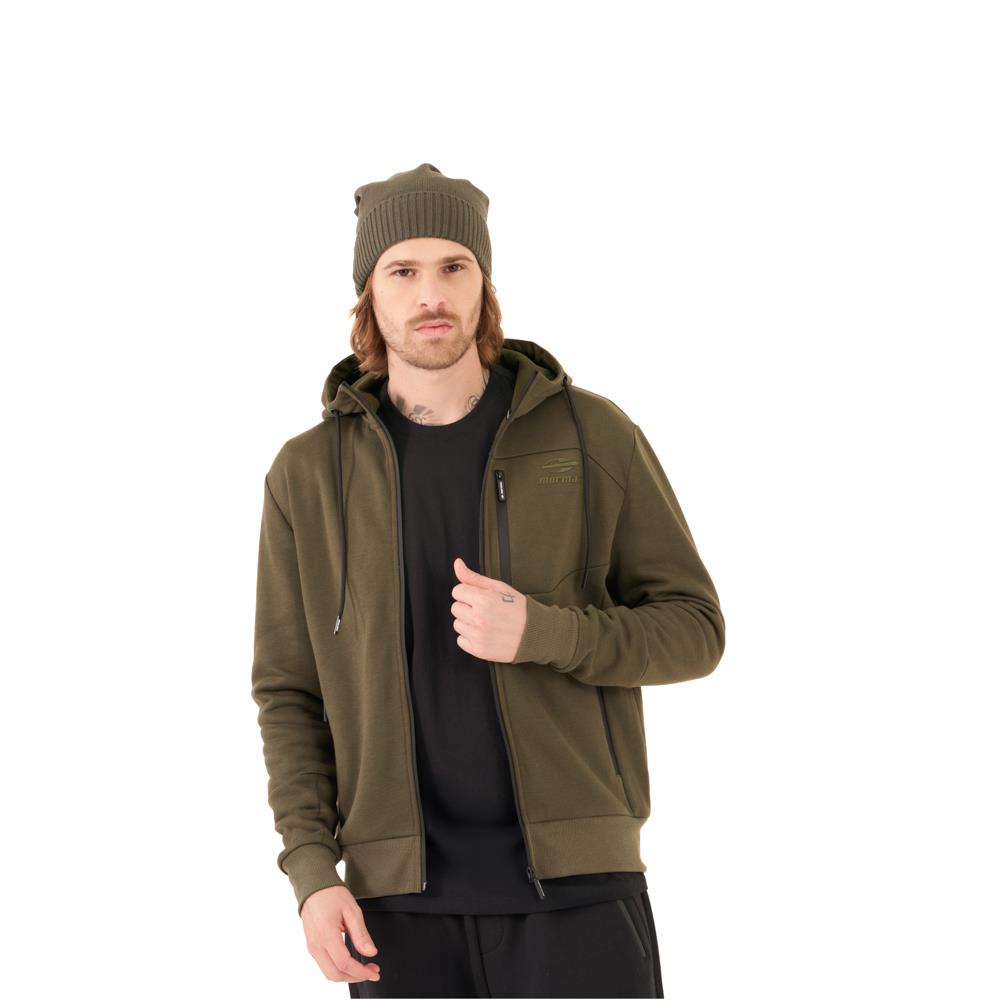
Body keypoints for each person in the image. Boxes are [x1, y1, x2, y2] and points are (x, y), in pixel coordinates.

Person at [250, 162, 726, 998]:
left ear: (484, 281)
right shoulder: (308, 475)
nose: (431, 294)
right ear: (369, 294)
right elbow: (289, 692)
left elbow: (695, 628)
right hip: (395, 907)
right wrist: (312, 872)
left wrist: (548, 632)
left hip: (577, 891)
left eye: (454, 266)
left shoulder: (591, 435)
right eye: (403, 271)